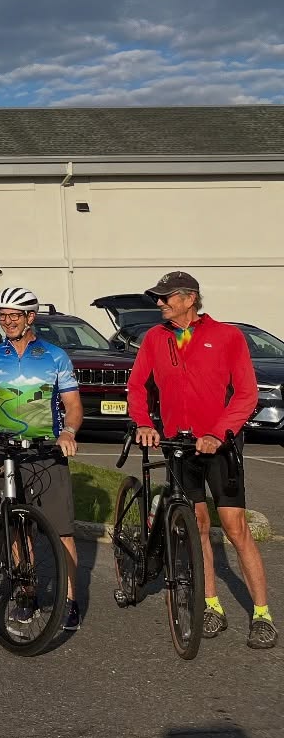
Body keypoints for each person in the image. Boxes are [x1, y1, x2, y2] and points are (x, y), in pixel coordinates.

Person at [126, 271, 273, 649]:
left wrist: (219, 433)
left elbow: (246, 394)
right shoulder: (154, 338)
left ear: (190, 298)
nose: (159, 303)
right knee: (199, 526)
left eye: (166, 297)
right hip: (178, 445)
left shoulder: (227, 336)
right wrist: (144, 423)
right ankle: (211, 605)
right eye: (157, 297)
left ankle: (262, 614)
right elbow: (137, 386)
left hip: (220, 446)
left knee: (236, 528)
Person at [0, 287, 84, 632]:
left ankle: (69, 601)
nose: (7, 321)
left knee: (62, 531)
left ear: (30, 317)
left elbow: (73, 405)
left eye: (14, 315)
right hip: (7, 452)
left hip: (46, 451)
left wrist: (68, 432)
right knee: (17, 528)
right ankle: (27, 595)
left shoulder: (54, 356)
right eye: (2, 315)